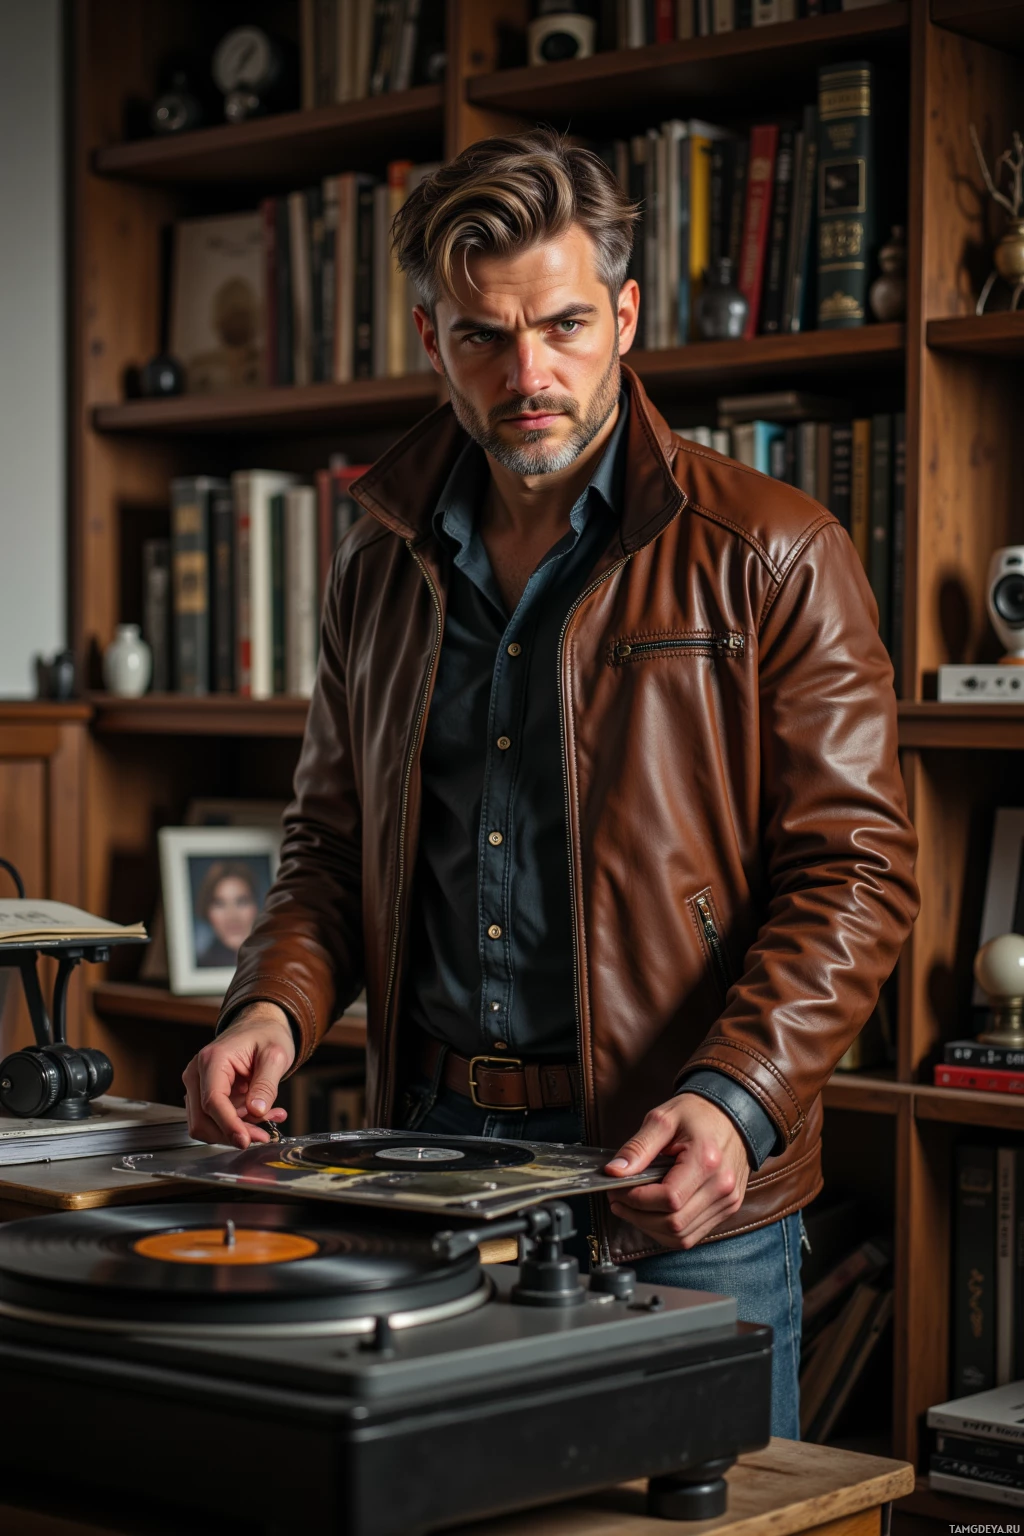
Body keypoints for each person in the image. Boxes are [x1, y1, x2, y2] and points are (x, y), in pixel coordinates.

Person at [181, 130, 919, 1436]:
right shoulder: (376, 565)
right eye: (484, 335)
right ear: (432, 337)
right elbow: (331, 850)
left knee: (697, 1519)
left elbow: (854, 875)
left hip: (676, 1175)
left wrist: (737, 1099)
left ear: (625, 316)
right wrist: (273, 1009)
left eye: (565, 325)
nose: (529, 374)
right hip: (423, 1165)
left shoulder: (774, 550)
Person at [193, 860, 261, 969]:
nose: (232, 916)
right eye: (219, 904)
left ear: (256, 906)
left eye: (242, 902)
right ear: (207, 911)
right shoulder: (199, 969)